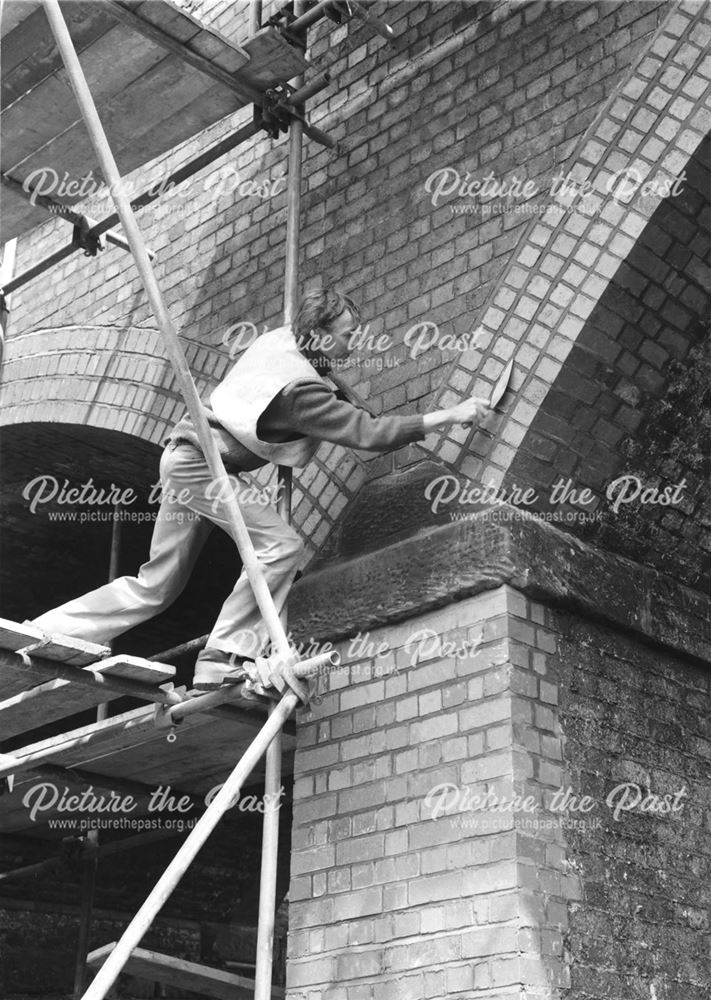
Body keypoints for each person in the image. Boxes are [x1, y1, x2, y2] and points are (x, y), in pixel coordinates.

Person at [32, 287, 491, 689]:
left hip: (185, 454)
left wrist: (339, 385)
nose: (355, 343)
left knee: (157, 585)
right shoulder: (302, 394)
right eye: (348, 334)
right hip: (202, 466)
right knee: (280, 546)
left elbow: (334, 391)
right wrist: (450, 414)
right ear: (322, 335)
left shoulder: (282, 343)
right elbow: (368, 435)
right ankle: (222, 656)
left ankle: (48, 629)